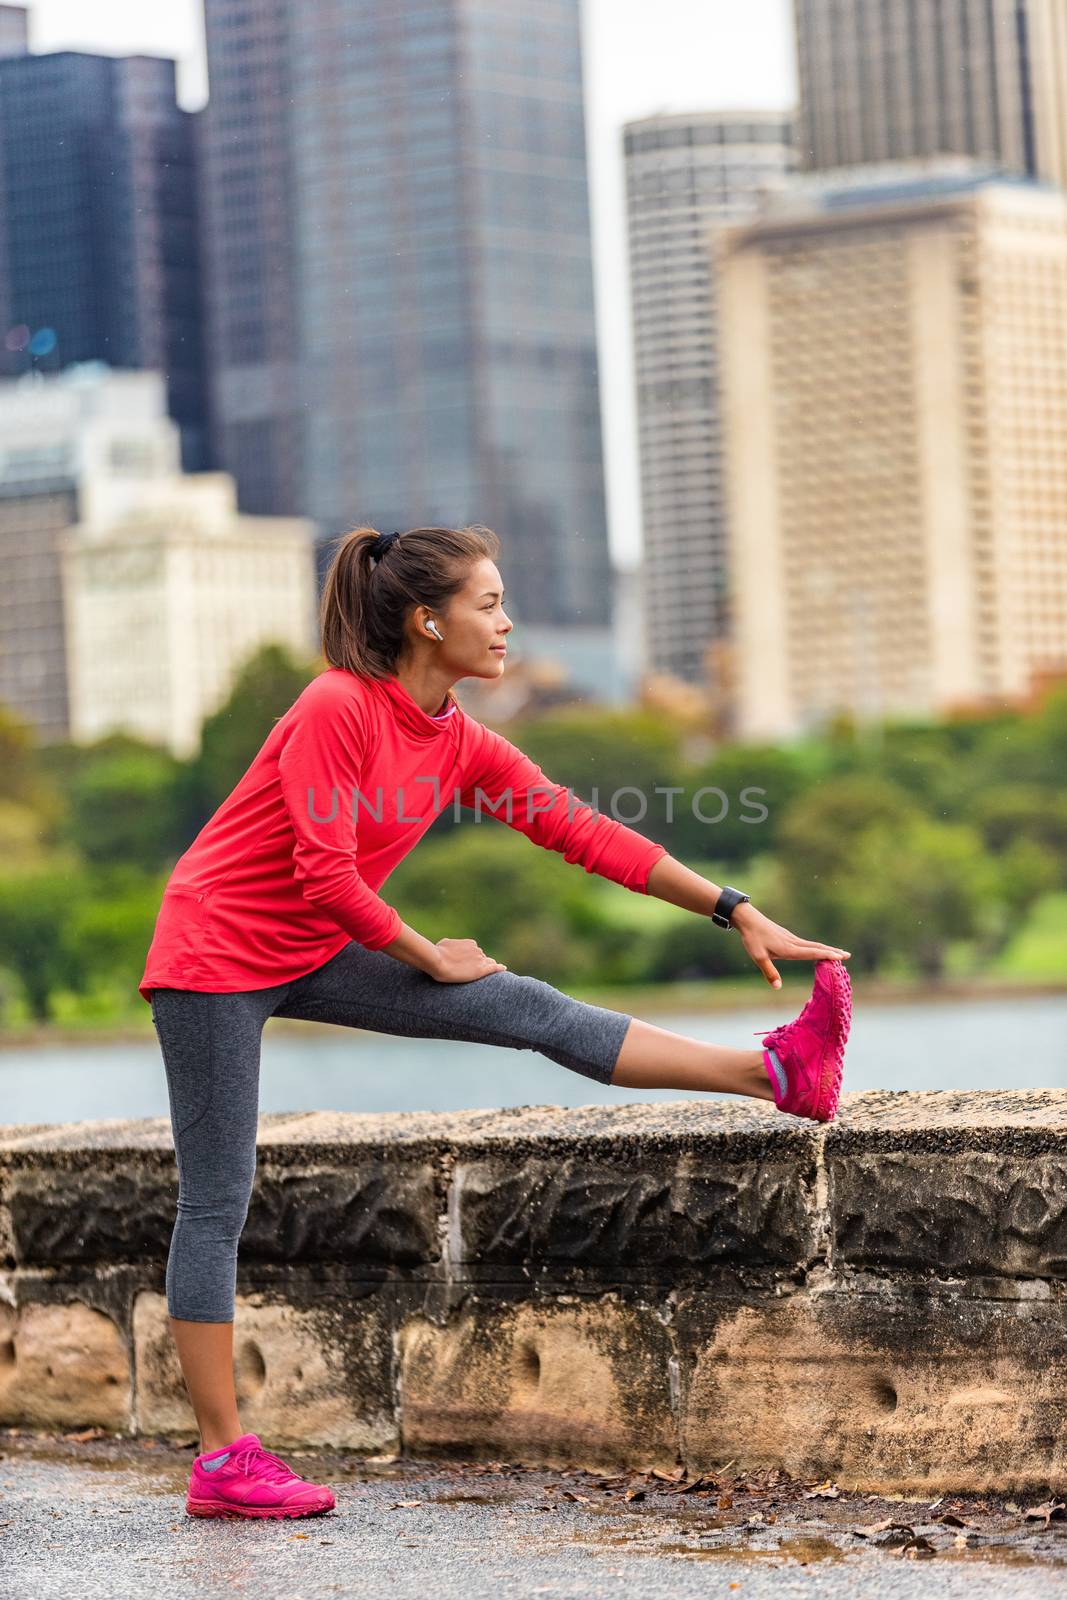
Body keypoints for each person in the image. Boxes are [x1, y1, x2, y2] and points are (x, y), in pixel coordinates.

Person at [141, 522, 852, 1521]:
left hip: (310, 947)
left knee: (523, 1002)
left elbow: (577, 827)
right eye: (488, 603)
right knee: (218, 1195)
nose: (507, 622)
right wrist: (426, 952)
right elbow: (321, 868)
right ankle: (221, 1459)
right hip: (215, 951)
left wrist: (730, 906)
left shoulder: (458, 736)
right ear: (426, 620)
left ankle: (773, 1074)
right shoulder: (335, 707)